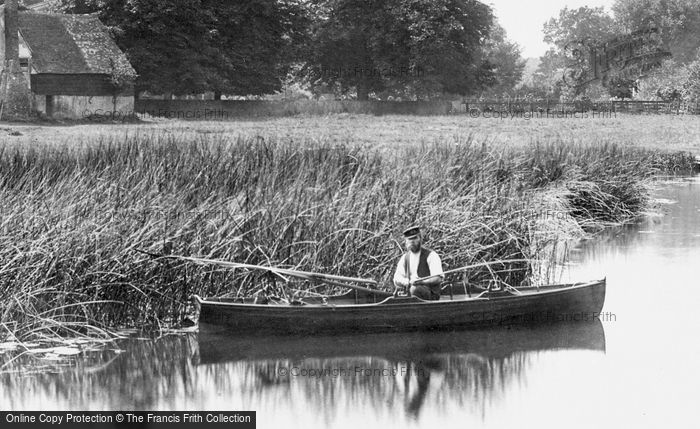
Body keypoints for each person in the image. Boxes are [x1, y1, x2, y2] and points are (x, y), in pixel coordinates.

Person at [393, 226, 444, 300]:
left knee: (415, 289)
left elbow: (437, 278)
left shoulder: (431, 255)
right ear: (406, 241)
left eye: (415, 238)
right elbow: (397, 278)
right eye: (409, 239)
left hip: (429, 295)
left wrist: (422, 281)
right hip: (410, 293)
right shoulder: (405, 258)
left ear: (420, 239)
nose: (412, 241)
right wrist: (404, 281)